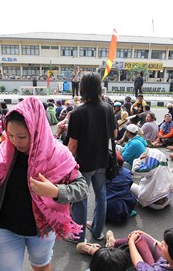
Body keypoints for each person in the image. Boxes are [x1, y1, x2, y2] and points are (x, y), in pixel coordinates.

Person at [0, 97, 87, 270]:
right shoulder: (6, 151)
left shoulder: (58, 154)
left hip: (41, 229)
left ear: (37, 130)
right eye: (11, 135)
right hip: (7, 227)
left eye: (21, 136)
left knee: (41, 266)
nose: (15, 142)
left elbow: (81, 187)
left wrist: (56, 191)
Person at [67, 72, 116, 242]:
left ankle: (78, 236)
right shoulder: (108, 108)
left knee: (80, 198)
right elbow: (114, 133)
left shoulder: (77, 113)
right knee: (101, 196)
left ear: (82, 89)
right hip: (102, 161)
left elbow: (72, 146)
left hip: (83, 164)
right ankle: (98, 231)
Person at [77, 228, 173, 271]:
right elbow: (158, 244)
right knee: (141, 238)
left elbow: (139, 264)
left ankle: (96, 250)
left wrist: (131, 242)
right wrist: (146, 236)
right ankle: (112, 244)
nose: (161, 243)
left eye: (165, 245)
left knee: (106, 262)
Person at [105, 152, 137, 223]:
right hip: (127, 208)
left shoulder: (104, 174)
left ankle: (95, 223)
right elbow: (129, 186)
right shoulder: (127, 172)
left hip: (108, 210)